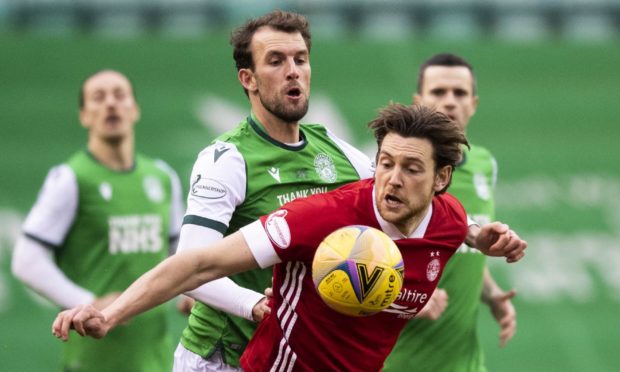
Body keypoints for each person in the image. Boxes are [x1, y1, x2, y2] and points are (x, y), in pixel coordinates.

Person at [52, 103, 527, 371]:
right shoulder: (322, 218)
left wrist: (481, 236)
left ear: (442, 179)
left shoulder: (448, 220)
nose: (393, 179)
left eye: (411, 168)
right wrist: (110, 314)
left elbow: (457, 226)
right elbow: (197, 263)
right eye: (385, 163)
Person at [169, 9, 375, 371]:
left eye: (301, 59)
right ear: (248, 79)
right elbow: (188, 267)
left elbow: (399, 201)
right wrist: (253, 304)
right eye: (276, 61)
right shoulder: (228, 159)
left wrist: (474, 232)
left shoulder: (339, 154)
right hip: (224, 357)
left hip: (297, 359)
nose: (293, 70)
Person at [11, 70, 184, 372]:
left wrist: (189, 293)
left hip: (155, 355)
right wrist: (88, 302)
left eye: (119, 95)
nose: (110, 104)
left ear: (135, 109)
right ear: (84, 115)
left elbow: (181, 255)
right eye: (98, 98)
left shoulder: (162, 177)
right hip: (93, 358)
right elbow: (26, 260)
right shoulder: (71, 179)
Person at [384, 53, 517, 371]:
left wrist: (492, 293)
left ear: (473, 103)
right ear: (418, 101)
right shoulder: (393, 176)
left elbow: (460, 248)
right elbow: (355, 260)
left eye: (459, 94)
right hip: (398, 362)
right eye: (438, 92)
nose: (449, 102)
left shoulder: (484, 164)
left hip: (465, 364)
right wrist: (405, 296)